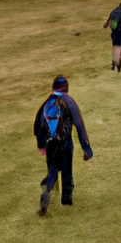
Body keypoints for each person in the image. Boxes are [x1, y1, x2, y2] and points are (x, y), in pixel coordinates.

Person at [33, 75, 93, 216]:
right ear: (66, 88)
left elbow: (38, 124)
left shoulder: (47, 103)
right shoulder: (69, 102)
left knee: (53, 170)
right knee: (67, 170)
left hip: (51, 144)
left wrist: (41, 145)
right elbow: (79, 124)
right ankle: (66, 198)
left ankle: (47, 191)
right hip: (65, 142)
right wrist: (86, 150)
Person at [103, 2, 121, 72]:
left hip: (114, 31)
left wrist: (105, 26)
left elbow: (109, 20)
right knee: (120, 47)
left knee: (115, 47)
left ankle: (113, 64)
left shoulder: (114, 11)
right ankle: (119, 66)